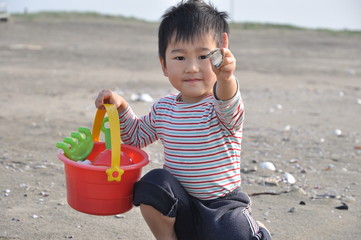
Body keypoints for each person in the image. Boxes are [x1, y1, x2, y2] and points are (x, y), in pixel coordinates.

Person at [95, 0, 271, 239]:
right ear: (164, 65)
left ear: (220, 57)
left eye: (203, 56)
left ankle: (257, 232)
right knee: (152, 185)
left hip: (221, 207)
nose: (192, 67)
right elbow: (135, 138)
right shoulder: (165, 108)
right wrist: (122, 107)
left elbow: (228, 102)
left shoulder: (219, 105)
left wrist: (226, 77)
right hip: (181, 206)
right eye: (179, 58)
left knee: (234, 231)